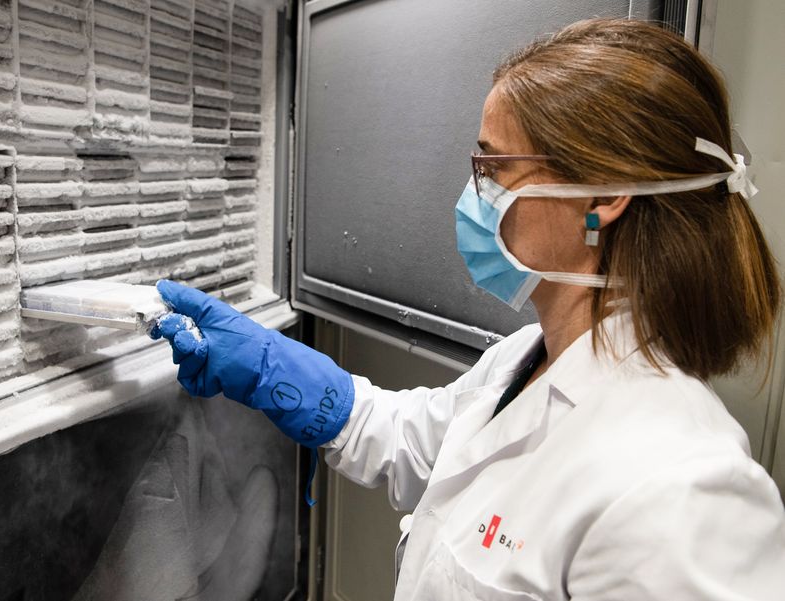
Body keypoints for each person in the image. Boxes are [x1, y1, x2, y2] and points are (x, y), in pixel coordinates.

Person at [153, 18, 785, 600]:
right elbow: (417, 443)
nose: (473, 196)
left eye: (494, 169)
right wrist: (271, 369)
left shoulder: (680, 487)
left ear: (604, 195)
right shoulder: (525, 359)